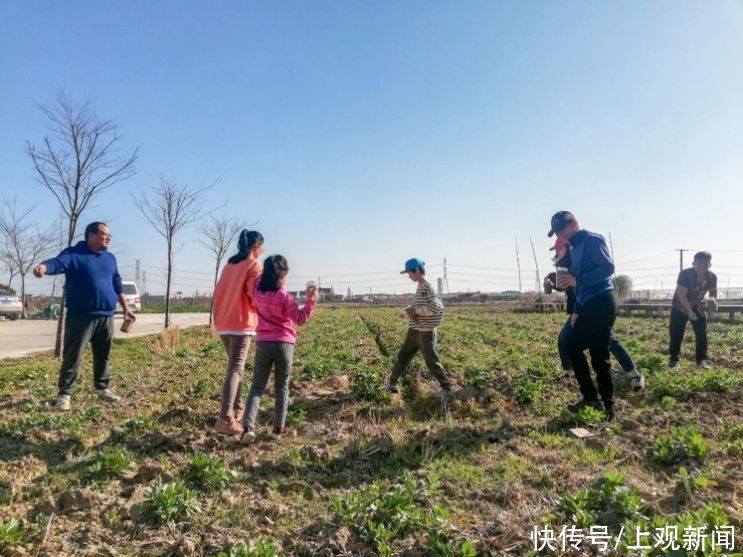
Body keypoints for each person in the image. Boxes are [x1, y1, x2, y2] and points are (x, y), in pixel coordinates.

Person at [33, 222, 135, 411]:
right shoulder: (75, 254)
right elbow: (57, 263)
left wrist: (126, 308)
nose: (108, 238)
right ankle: (65, 394)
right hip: (81, 317)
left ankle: (102, 388)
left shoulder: (110, 258)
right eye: (104, 234)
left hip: (105, 316)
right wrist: (43, 267)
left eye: (109, 235)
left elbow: (117, 283)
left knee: (103, 356)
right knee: (73, 356)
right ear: (91, 236)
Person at [546, 236, 645, 391]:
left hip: (593, 306)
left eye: (560, 248)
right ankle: (570, 373)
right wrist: (554, 285)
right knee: (564, 340)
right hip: (579, 308)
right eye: (556, 249)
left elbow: (586, 282)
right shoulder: (563, 266)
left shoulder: (578, 262)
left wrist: (578, 307)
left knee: (608, 341)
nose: (557, 252)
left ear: (568, 247)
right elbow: (569, 286)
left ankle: (635, 375)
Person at [240, 255, 317, 444]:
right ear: (282, 275)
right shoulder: (285, 298)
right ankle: (278, 429)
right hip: (284, 344)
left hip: (264, 343)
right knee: (281, 387)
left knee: (257, 387)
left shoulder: (258, 291)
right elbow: (300, 319)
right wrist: (311, 300)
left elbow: (258, 278)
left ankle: (248, 427)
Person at [549, 211, 617, 420]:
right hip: (587, 304)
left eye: (563, 229)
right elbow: (579, 288)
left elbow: (608, 268)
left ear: (574, 223)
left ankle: (605, 405)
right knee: (579, 348)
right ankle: (595, 400)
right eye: (557, 232)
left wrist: (578, 280)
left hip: (602, 302)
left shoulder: (592, 240)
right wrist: (576, 311)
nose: (561, 235)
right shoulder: (575, 248)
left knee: (595, 354)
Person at [211, 230, 264, 435]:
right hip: (240, 324)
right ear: (255, 246)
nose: (263, 250)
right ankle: (225, 418)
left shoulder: (230, 265)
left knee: (235, 368)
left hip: (224, 322)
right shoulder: (254, 265)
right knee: (236, 369)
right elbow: (255, 295)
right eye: (262, 246)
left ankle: (237, 407)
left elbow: (219, 292)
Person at [383, 258, 452, 397]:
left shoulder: (427, 287)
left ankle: (447, 388)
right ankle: (392, 385)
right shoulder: (420, 287)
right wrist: (407, 314)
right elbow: (419, 308)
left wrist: (416, 311)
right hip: (415, 331)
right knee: (403, 355)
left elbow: (437, 307)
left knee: (431, 361)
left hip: (425, 333)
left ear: (416, 271)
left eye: (409, 273)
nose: (409, 276)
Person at [668, 251, 717, 369]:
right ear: (693, 263)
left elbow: (713, 293)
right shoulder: (685, 274)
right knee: (676, 333)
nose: (702, 266)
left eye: (706, 264)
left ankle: (701, 360)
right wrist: (689, 311)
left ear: (709, 265)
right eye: (699, 263)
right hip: (679, 307)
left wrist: (712, 300)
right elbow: (681, 295)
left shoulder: (711, 277)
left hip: (697, 307)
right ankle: (674, 360)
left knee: (702, 334)